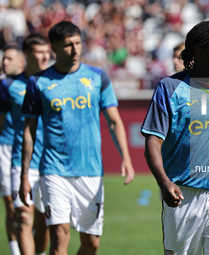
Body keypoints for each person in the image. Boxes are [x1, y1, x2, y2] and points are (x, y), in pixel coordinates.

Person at [19, 21, 135, 255]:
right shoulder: (38, 82)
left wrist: (126, 158)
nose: (75, 50)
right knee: (60, 238)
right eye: (68, 45)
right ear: (54, 47)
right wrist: (24, 175)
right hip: (53, 170)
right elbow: (29, 131)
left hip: (90, 170)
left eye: (78, 43)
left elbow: (114, 121)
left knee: (91, 244)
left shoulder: (97, 77)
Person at [141, 21, 209, 255]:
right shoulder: (170, 88)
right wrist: (164, 182)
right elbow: (153, 142)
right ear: (199, 53)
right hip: (183, 196)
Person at [0, 34, 51, 255]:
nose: (45, 57)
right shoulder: (8, 85)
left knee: (43, 220)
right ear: (28, 55)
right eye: (40, 52)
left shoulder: (53, 82)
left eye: (47, 53)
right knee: (21, 214)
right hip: (19, 158)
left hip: (49, 161)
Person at [0, 44, 25, 255]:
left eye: (9, 59)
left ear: (21, 62)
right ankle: (15, 251)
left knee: (27, 207)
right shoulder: (2, 85)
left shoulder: (32, 83)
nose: (4, 62)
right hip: (5, 147)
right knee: (10, 203)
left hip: (26, 149)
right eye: (3, 59)